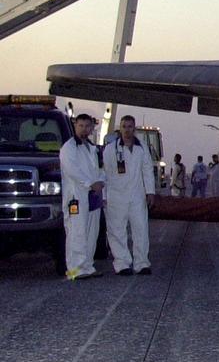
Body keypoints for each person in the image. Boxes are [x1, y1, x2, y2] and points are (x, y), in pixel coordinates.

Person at [103, 115, 156, 276]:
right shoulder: (110, 149)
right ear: (120, 128)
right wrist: (104, 196)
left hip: (137, 196)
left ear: (134, 128)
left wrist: (150, 192)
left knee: (140, 229)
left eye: (130, 126)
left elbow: (147, 170)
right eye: (124, 126)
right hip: (116, 196)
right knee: (117, 231)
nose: (127, 130)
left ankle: (141, 263)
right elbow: (104, 173)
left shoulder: (142, 148)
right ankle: (122, 264)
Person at [59, 113, 105, 280]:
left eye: (87, 126)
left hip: (93, 197)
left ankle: (87, 266)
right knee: (76, 232)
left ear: (92, 128)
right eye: (81, 126)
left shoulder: (92, 148)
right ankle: (74, 269)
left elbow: (100, 169)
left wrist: (100, 182)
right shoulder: (69, 148)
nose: (84, 129)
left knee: (91, 233)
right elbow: (73, 171)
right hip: (76, 197)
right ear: (75, 126)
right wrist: (89, 183)